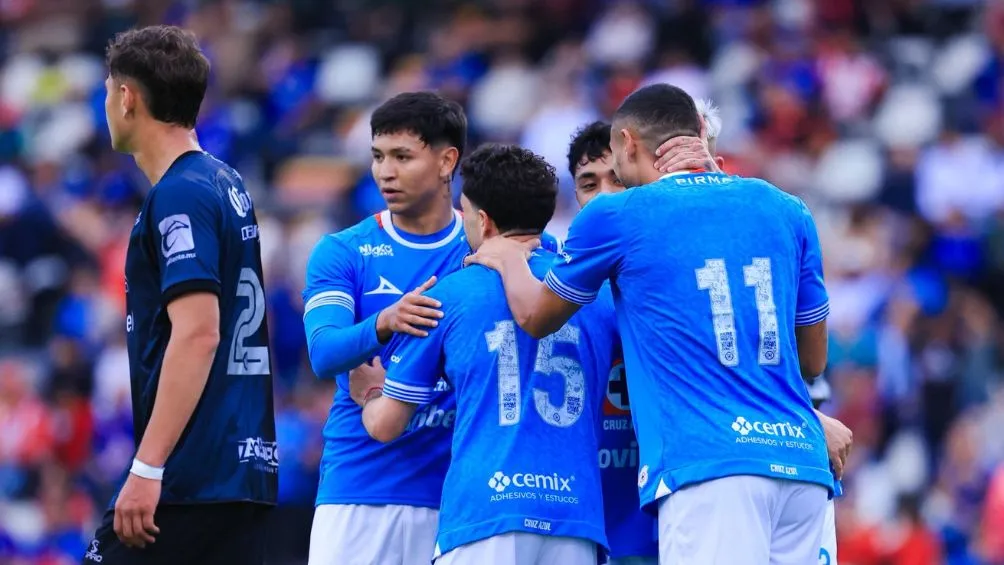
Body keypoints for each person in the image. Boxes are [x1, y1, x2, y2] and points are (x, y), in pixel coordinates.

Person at [467, 83, 834, 565]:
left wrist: (507, 257)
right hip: (803, 469)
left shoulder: (618, 217)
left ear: (627, 142)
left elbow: (535, 318)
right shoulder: (789, 208)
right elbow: (812, 359)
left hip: (708, 466)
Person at [350, 144, 616, 565]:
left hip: (485, 514)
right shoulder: (596, 294)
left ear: (483, 221)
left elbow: (386, 425)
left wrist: (368, 392)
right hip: (575, 517)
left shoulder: (447, 296)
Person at [83, 26, 276, 565]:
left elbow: (198, 333)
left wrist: (146, 469)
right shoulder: (224, 181)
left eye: (106, 91)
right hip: (239, 472)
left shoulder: (180, 195)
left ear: (127, 98)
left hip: (192, 476)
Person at [302, 91, 469, 565]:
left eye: (402, 156)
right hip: (359, 489)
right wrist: (384, 321)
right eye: (378, 156)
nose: (385, 172)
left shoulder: (484, 248)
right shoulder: (344, 250)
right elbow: (324, 352)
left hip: (455, 495)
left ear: (446, 161)